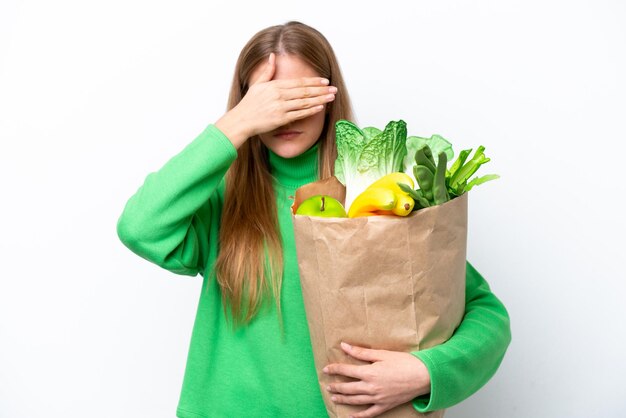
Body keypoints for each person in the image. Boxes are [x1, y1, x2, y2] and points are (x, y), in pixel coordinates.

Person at [116, 21, 511, 418]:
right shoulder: (223, 199)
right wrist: (236, 123)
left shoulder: (377, 197)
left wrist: (426, 372)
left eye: (300, 96)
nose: (285, 115)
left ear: (330, 95)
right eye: (269, 99)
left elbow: (483, 312)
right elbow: (139, 227)